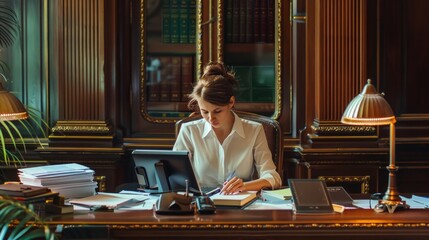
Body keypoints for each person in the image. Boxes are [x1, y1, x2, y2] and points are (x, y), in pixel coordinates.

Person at [173, 62, 281, 195]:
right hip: (200, 205)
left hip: (240, 205)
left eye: (217, 111)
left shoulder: (254, 130)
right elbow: (174, 176)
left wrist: (244, 186)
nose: (211, 118)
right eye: (204, 112)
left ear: (231, 102)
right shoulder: (189, 131)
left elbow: (272, 177)